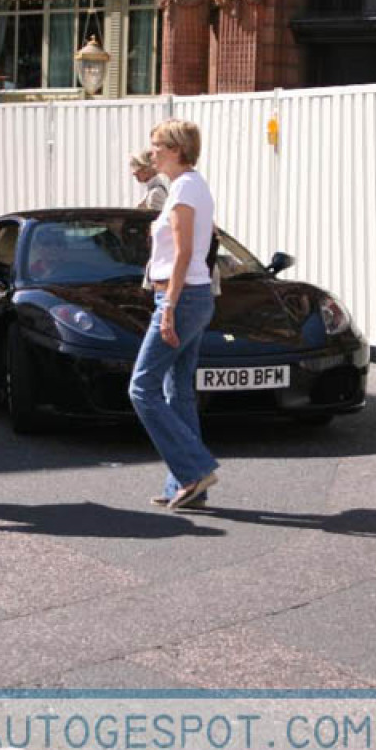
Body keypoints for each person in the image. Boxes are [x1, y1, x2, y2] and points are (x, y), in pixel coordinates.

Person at [129, 119, 219, 510]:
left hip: (179, 297)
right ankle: (182, 485)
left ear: (177, 149)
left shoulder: (184, 188)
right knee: (177, 391)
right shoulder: (190, 186)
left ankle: (195, 469)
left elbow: (183, 253)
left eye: (157, 146)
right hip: (193, 296)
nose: (152, 152)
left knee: (142, 388)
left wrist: (167, 309)